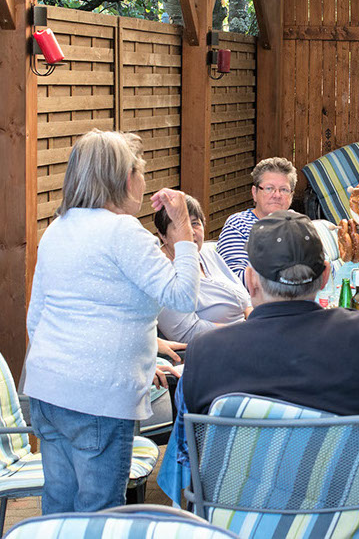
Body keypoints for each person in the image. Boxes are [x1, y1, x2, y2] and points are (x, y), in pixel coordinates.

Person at [171, 210, 359, 534]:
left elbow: (186, 454)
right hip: (356, 528)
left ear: (250, 281)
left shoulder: (202, 354)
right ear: (325, 277)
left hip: (237, 529)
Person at [23, 129, 200, 514]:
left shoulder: (57, 229)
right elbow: (183, 296)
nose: (144, 182)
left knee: (59, 506)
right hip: (98, 394)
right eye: (141, 172)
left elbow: (36, 318)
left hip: (47, 388)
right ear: (124, 178)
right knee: (101, 512)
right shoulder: (123, 232)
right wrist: (183, 229)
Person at [155, 194, 251, 344]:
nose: (191, 232)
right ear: (163, 236)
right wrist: (243, 332)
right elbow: (187, 332)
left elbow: (245, 298)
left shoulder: (206, 252)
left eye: (195, 223)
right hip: (213, 345)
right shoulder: (161, 274)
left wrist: (255, 322)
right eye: (180, 226)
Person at [216, 157, 297, 284]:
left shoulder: (299, 224)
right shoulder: (238, 225)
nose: (277, 195)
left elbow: (320, 270)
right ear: (254, 193)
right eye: (269, 188)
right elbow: (234, 279)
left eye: (284, 190)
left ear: (291, 195)